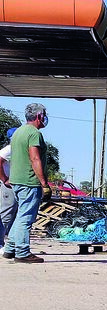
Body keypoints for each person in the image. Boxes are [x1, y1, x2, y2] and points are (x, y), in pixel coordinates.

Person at [3, 104, 50, 263]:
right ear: (39, 116)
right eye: (44, 115)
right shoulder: (34, 133)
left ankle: (10, 248)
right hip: (29, 181)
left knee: (20, 216)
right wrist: (44, 183)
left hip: (16, 180)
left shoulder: (18, 132)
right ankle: (22, 252)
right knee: (26, 218)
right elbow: (35, 158)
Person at [0, 128, 18, 249]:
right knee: (5, 215)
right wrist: (4, 179)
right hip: (8, 186)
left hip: (16, 184)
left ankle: (10, 245)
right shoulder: (10, 149)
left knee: (14, 216)